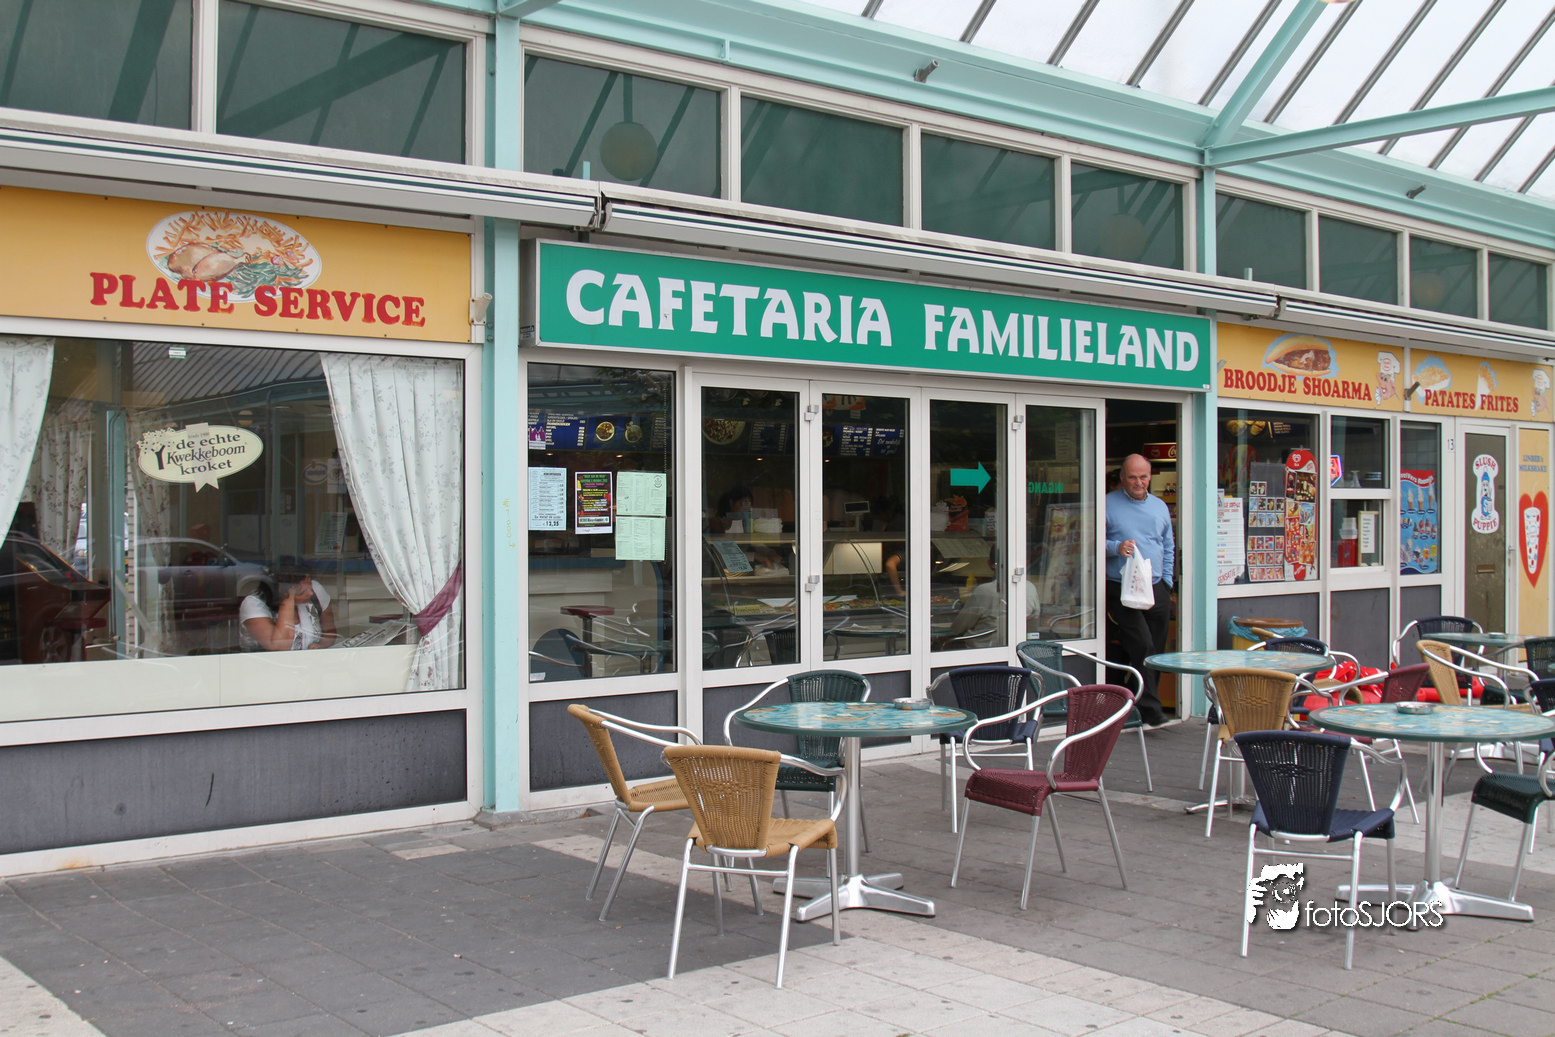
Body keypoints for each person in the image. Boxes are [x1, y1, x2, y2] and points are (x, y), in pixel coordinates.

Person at [1104, 453, 1176, 727]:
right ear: (1123, 477)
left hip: (1156, 586)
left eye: (1143, 477)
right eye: (1132, 477)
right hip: (1121, 585)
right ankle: (1151, 710)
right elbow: (1091, 542)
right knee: (1142, 645)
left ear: (1150, 477)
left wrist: (1167, 582)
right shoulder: (1107, 503)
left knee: (1155, 651)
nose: (1138, 482)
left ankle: (1135, 701)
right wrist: (1116, 547)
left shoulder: (1159, 506)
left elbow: (1167, 546)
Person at [943, 547, 1039, 648]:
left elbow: (959, 627)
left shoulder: (984, 590)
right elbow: (1035, 618)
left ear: (990, 564)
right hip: (1023, 647)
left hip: (982, 650)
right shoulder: (1030, 588)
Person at [240, 570, 337, 651]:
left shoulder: (315, 590)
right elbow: (280, 647)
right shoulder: (253, 604)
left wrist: (321, 646)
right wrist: (288, 599)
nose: (310, 593)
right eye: (302, 592)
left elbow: (330, 632)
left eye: (310, 586)